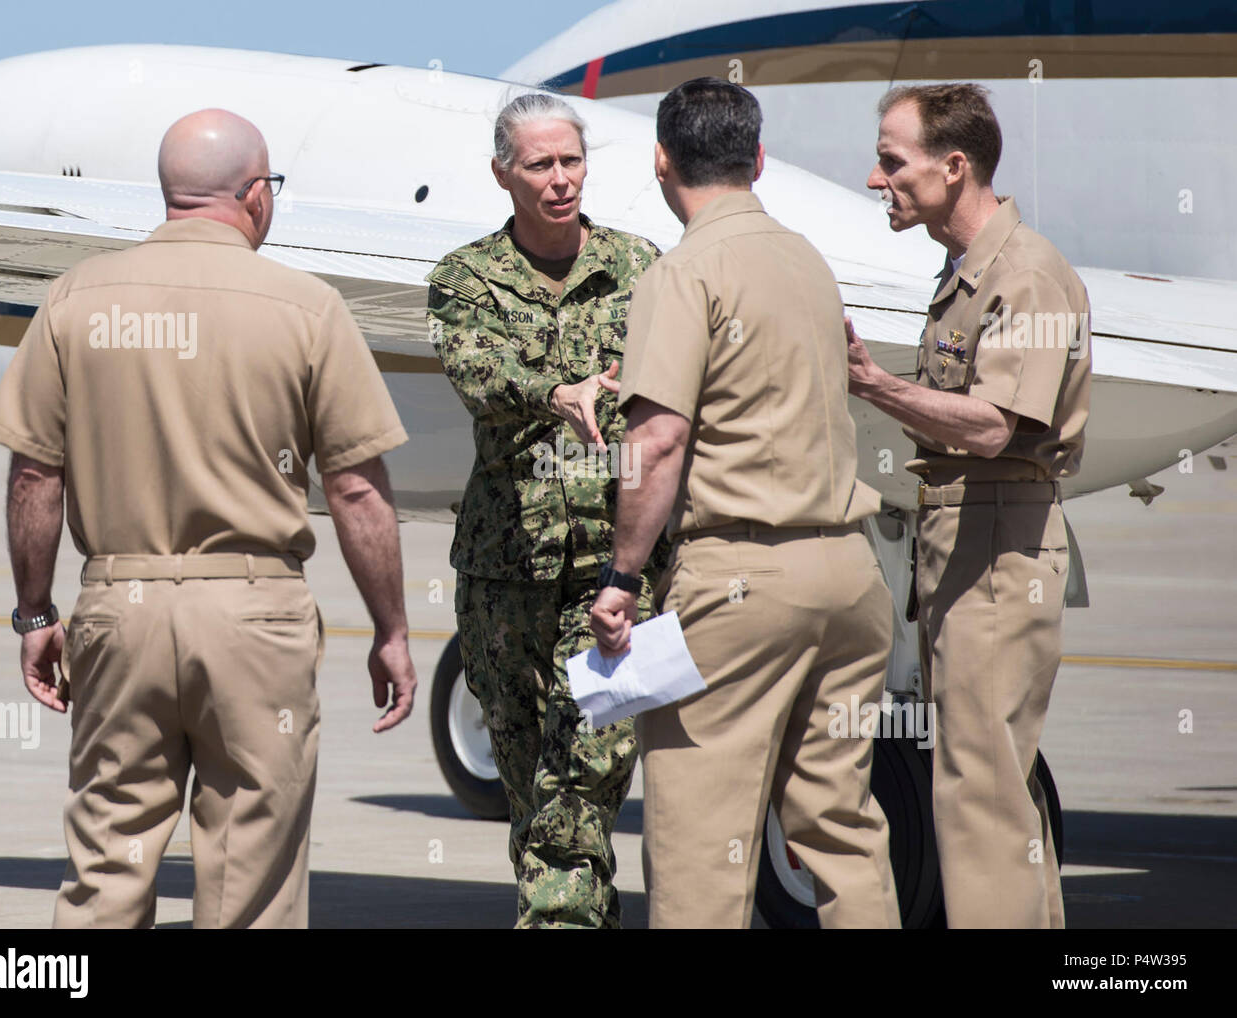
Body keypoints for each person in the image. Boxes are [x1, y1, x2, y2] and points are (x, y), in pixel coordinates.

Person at [0, 108, 417, 929]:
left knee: (107, 861)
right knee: (252, 878)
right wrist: (391, 628)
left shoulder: (77, 298)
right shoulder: (308, 308)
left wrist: (36, 612)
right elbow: (357, 489)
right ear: (255, 195)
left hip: (118, 611)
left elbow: (35, 472)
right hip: (255, 620)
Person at [590, 77, 901, 930]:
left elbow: (656, 444)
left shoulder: (684, 272)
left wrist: (621, 577)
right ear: (757, 159)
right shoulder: (807, 259)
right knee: (840, 828)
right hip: (846, 573)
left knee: (701, 845)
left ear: (663, 161)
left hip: (741, 584)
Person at [846, 83, 1091, 928]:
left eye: (892, 160)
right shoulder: (969, 272)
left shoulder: (1022, 276)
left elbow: (994, 426)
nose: (878, 179)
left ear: (955, 167)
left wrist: (877, 387)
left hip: (996, 538)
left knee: (975, 793)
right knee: (992, 788)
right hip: (969, 538)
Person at [425, 91, 665, 928]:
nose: (561, 180)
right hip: (505, 574)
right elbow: (475, 373)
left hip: (611, 575)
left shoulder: (641, 268)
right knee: (533, 788)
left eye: (571, 161)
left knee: (585, 774)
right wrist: (552, 392)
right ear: (504, 174)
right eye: (540, 165)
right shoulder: (466, 278)